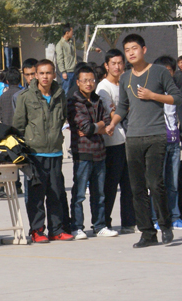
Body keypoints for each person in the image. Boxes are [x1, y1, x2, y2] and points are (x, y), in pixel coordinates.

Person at [105, 34, 181, 247]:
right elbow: (123, 106)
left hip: (156, 135)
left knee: (155, 184)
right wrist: (113, 123)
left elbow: (177, 97)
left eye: (134, 48)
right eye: (127, 49)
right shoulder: (125, 77)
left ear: (144, 50)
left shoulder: (159, 72)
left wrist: (153, 96)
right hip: (133, 137)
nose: (131, 53)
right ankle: (147, 233)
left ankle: (165, 225)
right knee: (137, 188)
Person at [14, 59, 74, 243]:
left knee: (56, 194)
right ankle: (37, 230)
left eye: (48, 73)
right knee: (36, 196)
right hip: (35, 154)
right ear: (36, 75)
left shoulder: (60, 94)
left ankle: (56, 230)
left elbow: (63, 118)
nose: (45, 77)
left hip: (55, 152)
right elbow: (18, 125)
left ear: (54, 74)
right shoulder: (26, 97)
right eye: (41, 73)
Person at [67, 65, 118, 240]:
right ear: (78, 82)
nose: (89, 83)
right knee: (79, 194)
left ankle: (99, 225)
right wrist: (99, 127)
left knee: (99, 193)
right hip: (82, 152)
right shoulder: (74, 102)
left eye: (91, 80)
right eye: (85, 80)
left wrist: (96, 127)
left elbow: (106, 122)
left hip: (99, 152)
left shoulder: (98, 100)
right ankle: (76, 227)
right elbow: (85, 127)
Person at [96, 49, 136, 234]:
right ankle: (104, 222)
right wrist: (127, 110)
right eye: (113, 63)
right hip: (112, 142)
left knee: (129, 184)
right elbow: (112, 114)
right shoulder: (103, 88)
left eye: (120, 63)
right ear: (106, 65)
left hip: (128, 139)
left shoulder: (126, 83)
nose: (117, 67)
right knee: (110, 185)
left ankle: (129, 222)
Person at [151, 55, 182, 230]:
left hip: (174, 143)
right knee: (158, 184)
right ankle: (157, 218)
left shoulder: (175, 93)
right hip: (158, 142)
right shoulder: (151, 94)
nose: (166, 75)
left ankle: (175, 216)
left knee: (173, 183)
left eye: (169, 71)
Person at [56, 24, 77, 95]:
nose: (72, 33)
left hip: (74, 71)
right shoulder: (60, 44)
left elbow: (81, 46)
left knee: (73, 91)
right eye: (71, 31)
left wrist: (94, 49)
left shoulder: (71, 42)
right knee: (65, 92)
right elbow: (60, 59)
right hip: (67, 72)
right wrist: (63, 71)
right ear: (67, 32)